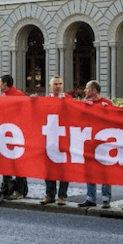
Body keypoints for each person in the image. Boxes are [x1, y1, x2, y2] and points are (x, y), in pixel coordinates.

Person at [79, 80, 112, 208]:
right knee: (89, 171)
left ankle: (106, 198)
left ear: (93, 91)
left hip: (103, 144)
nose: (85, 91)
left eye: (87, 89)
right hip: (88, 142)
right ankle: (90, 198)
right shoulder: (85, 104)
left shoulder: (106, 103)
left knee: (104, 171)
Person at [40, 76, 72, 205]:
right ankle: (50, 194)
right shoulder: (45, 100)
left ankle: (62, 196)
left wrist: (64, 103)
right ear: (49, 86)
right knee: (49, 169)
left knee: (63, 169)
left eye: (60, 84)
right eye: (55, 84)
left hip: (63, 138)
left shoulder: (67, 99)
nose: (58, 86)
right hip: (49, 139)